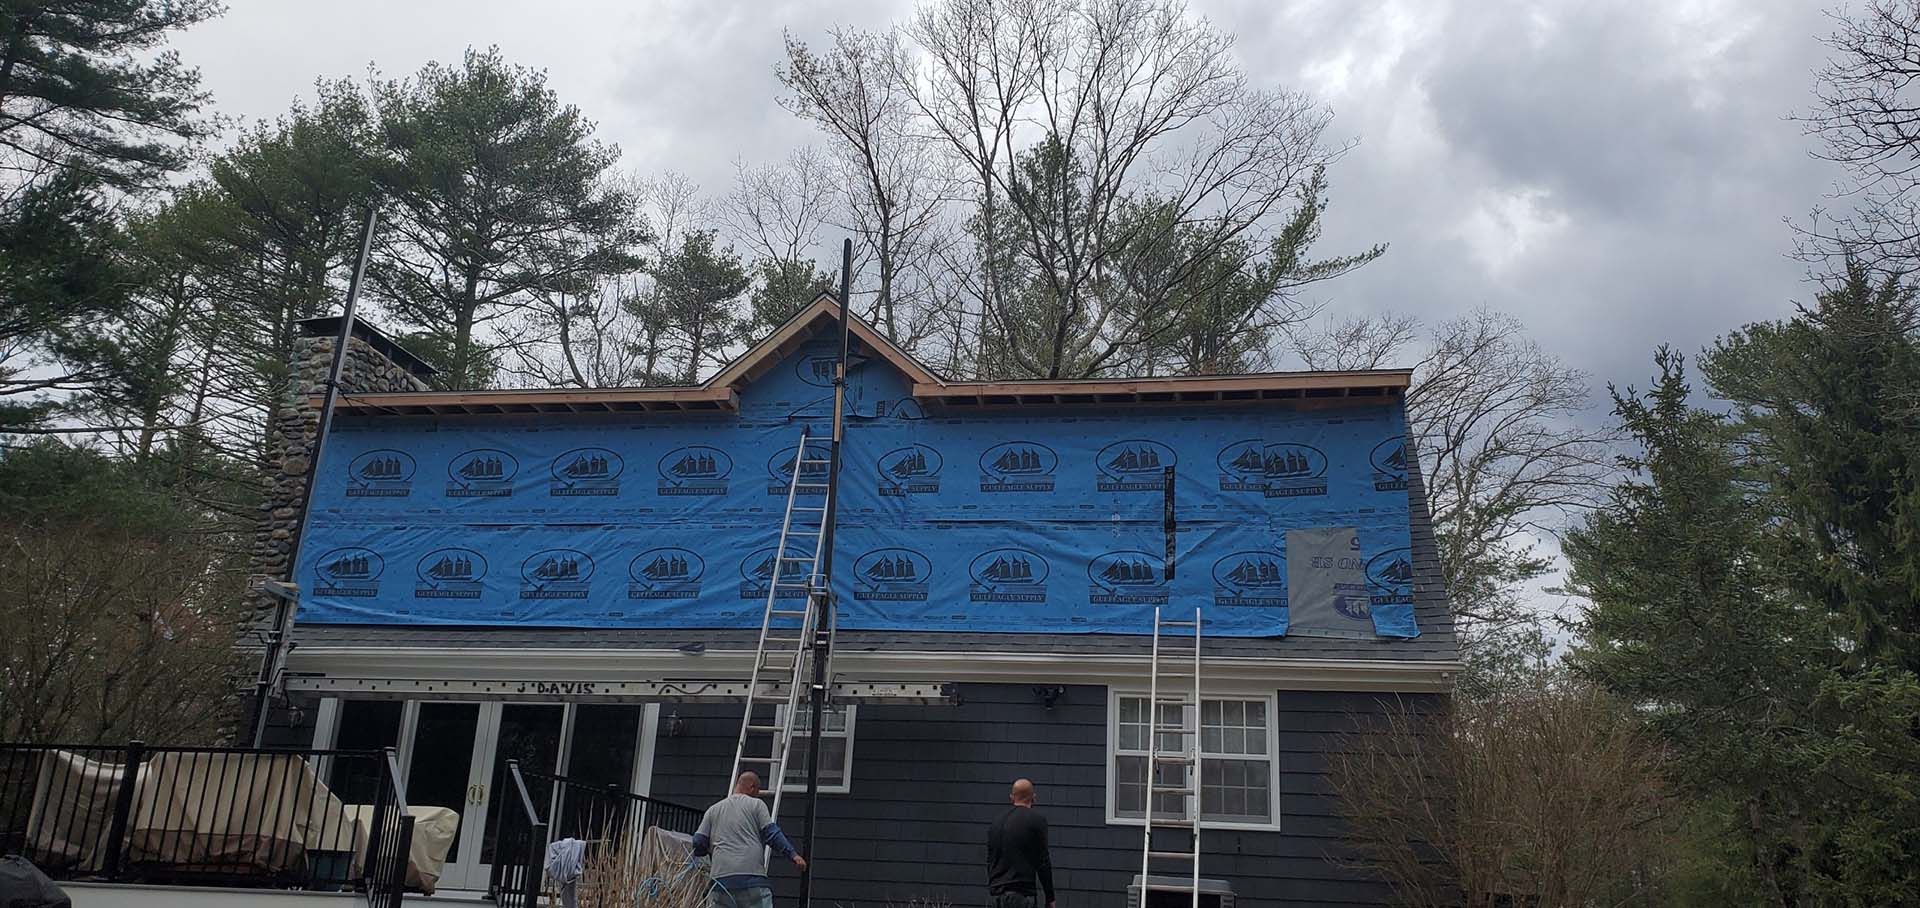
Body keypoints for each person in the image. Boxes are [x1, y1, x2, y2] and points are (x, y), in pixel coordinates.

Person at [693, 772, 806, 908]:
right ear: (752, 787)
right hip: (751, 879)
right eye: (757, 791)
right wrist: (793, 855)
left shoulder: (713, 810)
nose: (757, 794)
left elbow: (698, 841)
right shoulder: (756, 804)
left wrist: (707, 850)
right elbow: (772, 834)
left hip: (720, 882)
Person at [987, 778, 1056, 908]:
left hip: (996, 897)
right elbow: (1043, 862)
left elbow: (990, 861)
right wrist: (1050, 897)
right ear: (1033, 798)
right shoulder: (1036, 821)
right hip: (1022, 896)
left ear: (1011, 798)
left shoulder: (995, 823)